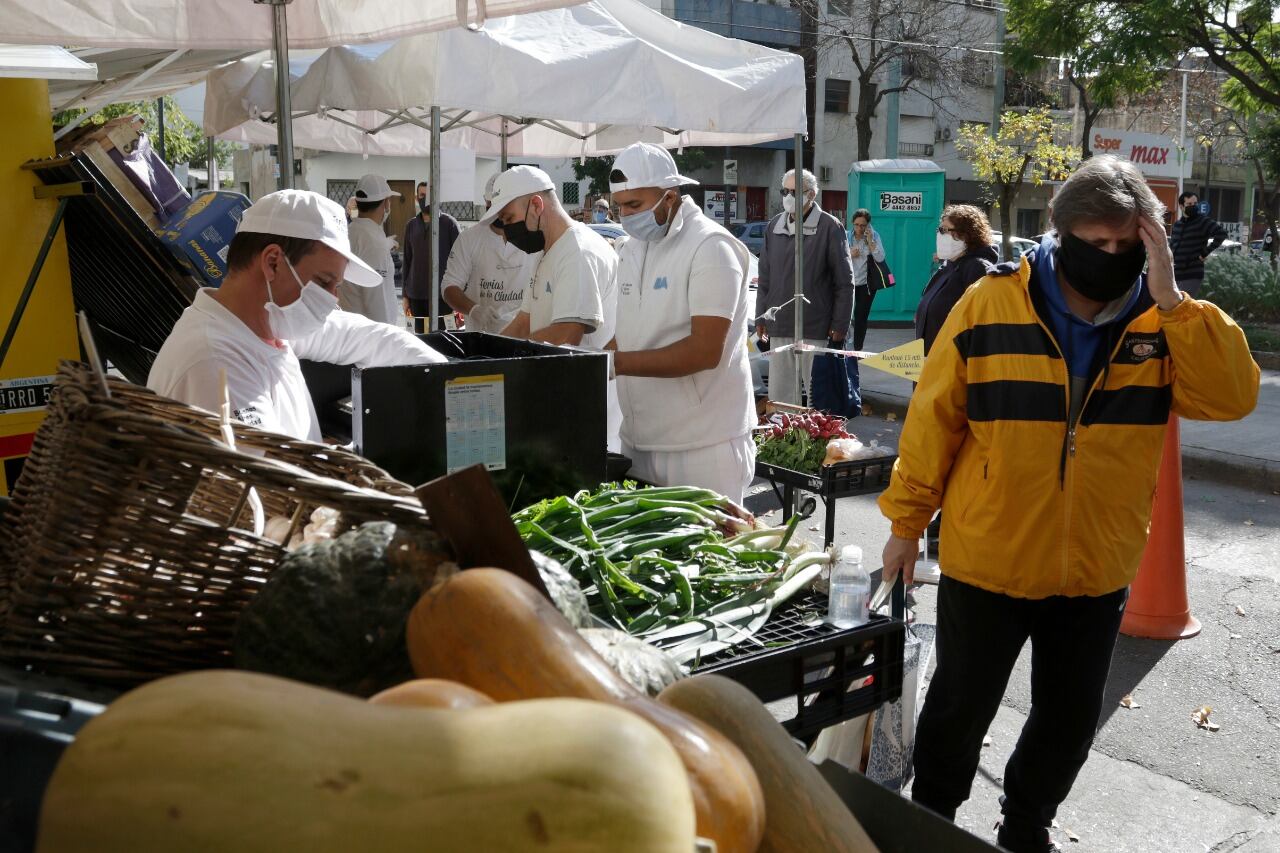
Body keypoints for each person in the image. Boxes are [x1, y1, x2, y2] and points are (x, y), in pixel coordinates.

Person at [878, 156, 1259, 853]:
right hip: (989, 556)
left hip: (1096, 564)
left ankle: (1027, 825)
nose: (1110, 257)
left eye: (1126, 244)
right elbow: (932, 423)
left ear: (1149, 240)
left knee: (1068, 718)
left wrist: (1174, 300)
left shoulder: (1162, 319)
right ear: (1061, 231)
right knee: (958, 709)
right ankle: (931, 821)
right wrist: (907, 525)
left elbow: (1233, 396)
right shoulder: (990, 302)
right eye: (1096, 241)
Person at [148, 190, 447, 442]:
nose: (333, 299)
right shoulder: (213, 363)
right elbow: (271, 487)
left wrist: (448, 381)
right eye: (323, 282)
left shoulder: (269, 324)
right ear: (273, 263)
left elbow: (366, 338)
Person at [606, 142, 756, 503]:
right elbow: (625, 335)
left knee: (709, 559)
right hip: (639, 442)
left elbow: (704, 351)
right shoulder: (630, 248)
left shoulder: (711, 247)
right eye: (619, 207)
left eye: (635, 205)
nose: (625, 216)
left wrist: (615, 364)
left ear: (669, 197)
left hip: (703, 448)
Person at [484, 166, 621, 450]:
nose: (507, 233)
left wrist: (504, 363)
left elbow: (566, 335)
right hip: (557, 399)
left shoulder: (579, 253)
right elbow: (524, 322)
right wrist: (485, 355)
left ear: (536, 205)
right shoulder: (545, 251)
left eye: (508, 219)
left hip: (586, 410)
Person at [754, 168, 854, 405]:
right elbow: (765, 277)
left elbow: (844, 281)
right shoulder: (774, 226)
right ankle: (786, 438)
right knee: (781, 398)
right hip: (780, 325)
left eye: (794, 191)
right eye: (785, 191)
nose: (788, 196)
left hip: (816, 327)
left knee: (818, 396)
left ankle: (817, 441)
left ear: (811, 195)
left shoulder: (830, 227)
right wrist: (761, 317)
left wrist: (840, 324)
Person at [441, 173, 538, 333]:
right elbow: (449, 286)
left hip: (524, 334)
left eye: (504, 209)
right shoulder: (469, 238)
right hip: (481, 336)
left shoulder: (533, 238)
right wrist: (474, 309)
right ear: (486, 202)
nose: (499, 214)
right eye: (492, 206)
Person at [915, 205, 998, 355]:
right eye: (939, 230)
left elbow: (980, 325)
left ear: (966, 234)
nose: (940, 235)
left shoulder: (977, 268)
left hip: (952, 367)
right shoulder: (948, 266)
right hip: (929, 365)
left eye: (945, 230)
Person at [337, 173, 401, 326]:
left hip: (352, 329)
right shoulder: (373, 243)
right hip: (372, 338)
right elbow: (377, 303)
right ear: (386, 203)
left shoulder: (349, 232)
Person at [403, 180, 461, 329]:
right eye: (422, 195)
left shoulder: (450, 224)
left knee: (445, 341)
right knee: (420, 341)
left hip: (444, 296)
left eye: (429, 196)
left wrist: (460, 297)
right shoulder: (411, 226)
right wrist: (405, 296)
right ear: (416, 198)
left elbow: (461, 261)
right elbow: (407, 261)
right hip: (416, 295)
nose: (426, 200)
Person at [1169, 191, 1227, 297]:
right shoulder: (1177, 225)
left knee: (1183, 306)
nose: (1193, 206)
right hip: (1175, 275)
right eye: (1189, 204)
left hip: (1192, 274)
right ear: (1182, 207)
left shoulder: (1203, 221)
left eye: (1195, 204)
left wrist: (1205, 252)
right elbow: (1172, 246)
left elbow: (1221, 234)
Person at [849, 208, 886, 351]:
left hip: (867, 284)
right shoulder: (847, 236)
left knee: (860, 317)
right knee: (844, 315)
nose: (859, 228)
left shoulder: (874, 236)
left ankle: (857, 350)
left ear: (868, 225)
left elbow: (880, 258)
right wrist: (849, 253)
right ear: (853, 223)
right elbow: (837, 257)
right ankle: (843, 344)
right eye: (857, 224)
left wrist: (870, 240)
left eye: (863, 225)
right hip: (849, 283)